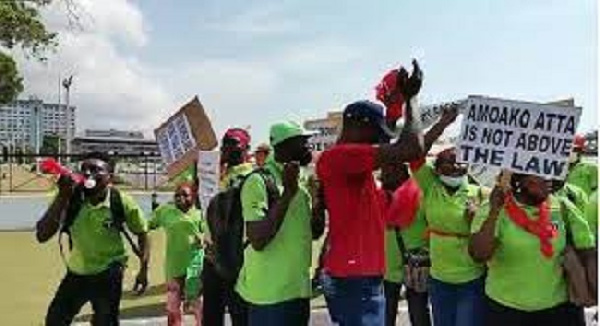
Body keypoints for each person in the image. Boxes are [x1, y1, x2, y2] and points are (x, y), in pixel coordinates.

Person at [317, 60, 425, 324]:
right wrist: (412, 99)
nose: (377, 141)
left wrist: (395, 106)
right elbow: (412, 147)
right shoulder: (341, 157)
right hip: (355, 279)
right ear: (356, 127)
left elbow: (397, 147)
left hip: (356, 275)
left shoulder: (354, 168)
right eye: (374, 134)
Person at [36, 151, 149, 326]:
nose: (88, 173)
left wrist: (143, 270)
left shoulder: (121, 201)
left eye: (95, 169)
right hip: (77, 271)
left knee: (105, 321)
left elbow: (142, 233)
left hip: (110, 271)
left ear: (110, 177)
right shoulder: (69, 198)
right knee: (55, 319)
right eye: (84, 170)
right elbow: (42, 235)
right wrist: (63, 195)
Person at [470, 173, 597, 326]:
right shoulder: (494, 208)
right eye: (540, 175)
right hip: (506, 311)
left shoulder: (563, 207)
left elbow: (588, 252)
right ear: (518, 179)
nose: (549, 179)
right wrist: (494, 213)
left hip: (558, 311)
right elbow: (479, 255)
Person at [236, 121, 325, 325]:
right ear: (284, 147)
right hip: (270, 296)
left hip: (298, 290)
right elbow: (258, 239)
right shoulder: (258, 182)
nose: (308, 147)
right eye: (302, 142)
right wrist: (288, 194)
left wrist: (320, 201)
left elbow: (314, 233)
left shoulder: (301, 181)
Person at [203, 128, 253, 326]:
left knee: (239, 313)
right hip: (211, 256)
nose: (228, 148)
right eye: (225, 144)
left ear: (246, 148)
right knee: (211, 315)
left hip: (235, 258)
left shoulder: (248, 176)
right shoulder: (221, 175)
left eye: (234, 144)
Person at [380, 162, 432, 326]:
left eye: (389, 169)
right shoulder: (378, 196)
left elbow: (431, 225)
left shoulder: (420, 194)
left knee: (419, 316)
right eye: (384, 170)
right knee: (384, 318)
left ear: (402, 172)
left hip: (416, 266)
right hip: (386, 269)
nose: (384, 174)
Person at [149, 183, 206, 326]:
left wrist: (203, 238)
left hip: (194, 264)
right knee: (173, 304)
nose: (180, 198)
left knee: (197, 302)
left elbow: (209, 235)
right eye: (177, 195)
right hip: (173, 264)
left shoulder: (200, 213)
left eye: (185, 195)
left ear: (193, 197)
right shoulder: (165, 212)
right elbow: (147, 225)